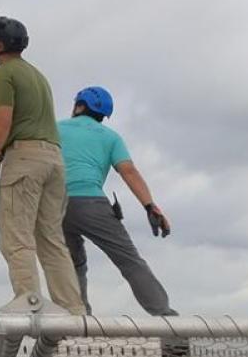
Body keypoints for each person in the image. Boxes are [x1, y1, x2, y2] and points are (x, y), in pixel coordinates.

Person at [0, 16, 84, 315]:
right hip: (54, 160)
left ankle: (31, 311)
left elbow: (2, 121)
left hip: (25, 161)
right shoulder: (37, 75)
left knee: (16, 239)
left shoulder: (3, 74)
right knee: (52, 241)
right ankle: (74, 313)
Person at [59, 86, 176, 315]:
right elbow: (128, 171)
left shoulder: (55, 128)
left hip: (55, 205)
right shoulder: (110, 137)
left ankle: (77, 316)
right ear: (103, 115)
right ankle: (167, 319)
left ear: (79, 106)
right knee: (129, 261)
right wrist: (150, 206)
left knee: (73, 264)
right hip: (92, 204)